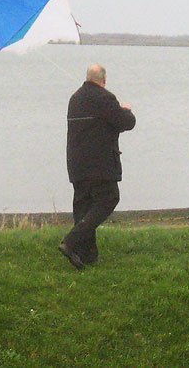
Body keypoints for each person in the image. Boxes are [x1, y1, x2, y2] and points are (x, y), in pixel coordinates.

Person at [59, 64, 136, 269]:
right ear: (104, 80)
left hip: (76, 164)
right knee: (109, 199)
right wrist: (125, 110)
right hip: (100, 164)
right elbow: (127, 122)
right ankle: (71, 241)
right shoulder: (105, 98)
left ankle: (87, 256)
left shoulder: (74, 99)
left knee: (83, 207)